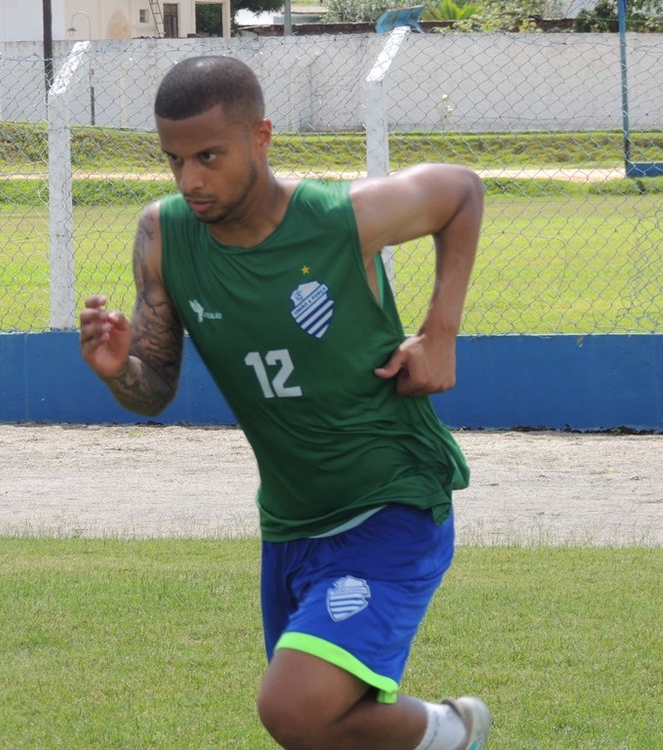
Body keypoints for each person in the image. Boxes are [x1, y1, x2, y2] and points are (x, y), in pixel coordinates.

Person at [79, 56, 487, 750]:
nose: (191, 180)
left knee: (293, 708)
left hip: (392, 500)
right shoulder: (163, 235)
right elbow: (154, 391)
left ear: (261, 136)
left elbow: (461, 190)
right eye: (174, 161)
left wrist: (440, 332)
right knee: (323, 730)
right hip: (292, 524)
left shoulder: (337, 218)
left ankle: (455, 732)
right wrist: (119, 369)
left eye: (209, 156)